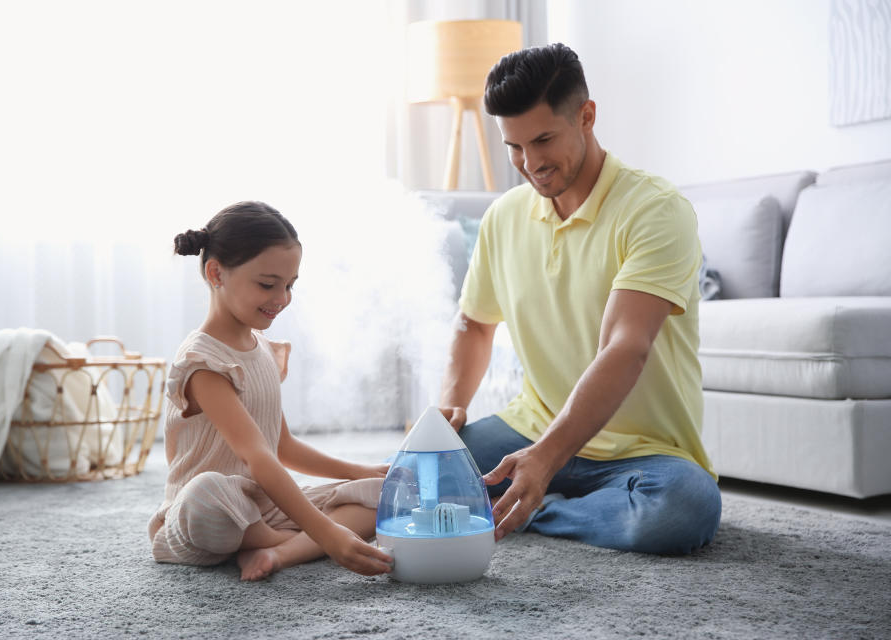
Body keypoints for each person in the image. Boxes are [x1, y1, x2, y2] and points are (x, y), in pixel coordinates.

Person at [438, 43, 721, 555]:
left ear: (586, 116)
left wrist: (545, 459)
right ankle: (539, 491)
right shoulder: (503, 218)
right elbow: (475, 324)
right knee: (433, 468)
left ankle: (536, 505)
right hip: (531, 426)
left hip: (642, 454)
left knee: (683, 511)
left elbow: (625, 347)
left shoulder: (655, 210)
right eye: (514, 147)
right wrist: (450, 406)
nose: (530, 163)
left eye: (543, 139)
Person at [148, 201, 393, 581]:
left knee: (382, 495)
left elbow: (282, 447)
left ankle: (276, 553)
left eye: (290, 285)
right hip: (205, 512)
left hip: (261, 504)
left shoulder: (261, 348)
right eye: (267, 284)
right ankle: (297, 540)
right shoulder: (202, 363)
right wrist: (327, 532)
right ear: (216, 273)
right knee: (206, 495)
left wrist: (361, 471)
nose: (282, 298)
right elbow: (259, 456)